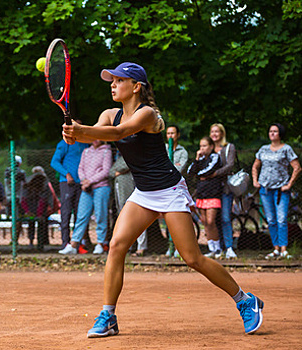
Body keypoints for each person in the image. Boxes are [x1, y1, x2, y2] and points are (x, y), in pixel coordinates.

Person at [62, 62, 264, 337]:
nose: (112, 84)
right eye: (112, 80)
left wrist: (81, 130)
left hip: (169, 191)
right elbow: (97, 133)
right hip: (143, 193)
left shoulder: (148, 114)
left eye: (119, 80)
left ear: (136, 87)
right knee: (117, 246)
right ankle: (108, 315)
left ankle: (245, 300)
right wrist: (76, 134)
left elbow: (118, 134)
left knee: (192, 258)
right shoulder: (110, 113)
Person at [252, 123, 300, 259]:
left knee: (282, 219)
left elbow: (297, 167)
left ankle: (284, 248)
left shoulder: (286, 149)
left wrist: (289, 184)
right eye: (270, 131)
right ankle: (276, 248)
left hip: (280, 190)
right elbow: (255, 166)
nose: (272, 133)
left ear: (280, 134)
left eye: (275, 131)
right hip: (265, 189)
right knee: (271, 220)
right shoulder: (263, 149)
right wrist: (255, 181)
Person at [58, 139, 112, 255]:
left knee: (100, 215)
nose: (96, 140)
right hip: (86, 188)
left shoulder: (106, 151)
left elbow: (106, 171)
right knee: (81, 216)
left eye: (98, 137)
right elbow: (80, 168)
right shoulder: (86, 151)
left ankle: (100, 243)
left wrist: (90, 181)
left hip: (101, 187)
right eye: (94, 137)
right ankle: (73, 244)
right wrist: (84, 181)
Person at [50, 122, 88, 250]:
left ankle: (79, 243)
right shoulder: (64, 143)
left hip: (82, 184)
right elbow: (54, 162)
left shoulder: (85, 144)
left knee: (81, 213)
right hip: (67, 183)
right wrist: (66, 174)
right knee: (65, 213)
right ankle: (65, 242)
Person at [188, 136, 223, 258]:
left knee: (211, 221)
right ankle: (211, 248)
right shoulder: (200, 159)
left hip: (213, 193)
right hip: (201, 194)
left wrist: (200, 174)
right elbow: (190, 171)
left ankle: (218, 248)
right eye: (200, 146)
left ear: (211, 146)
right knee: (204, 222)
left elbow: (208, 170)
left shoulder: (215, 157)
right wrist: (197, 160)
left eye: (204, 146)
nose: (202, 148)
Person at [109, 154, 147, 256]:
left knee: (138, 218)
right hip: (121, 194)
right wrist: (118, 170)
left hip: (134, 192)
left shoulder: (134, 155)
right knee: (124, 219)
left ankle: (141, 247)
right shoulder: (120, 158)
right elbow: (111, 172)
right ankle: (127, 247)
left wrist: (119, 170)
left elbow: (126, 165)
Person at [210, 123, 238, 259]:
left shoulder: (229, 147)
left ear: (222, 133)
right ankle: (217, 247)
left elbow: (230, 165)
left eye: (217, 132)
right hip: (211, 189)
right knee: (213, 219)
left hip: (225, 187)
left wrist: (215, 173)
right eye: (212, 132)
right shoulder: (208, 148)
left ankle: (229, 247)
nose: (214, 134)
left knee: (225, 217)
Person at [163, 125, 190, 258]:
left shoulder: (182, 152)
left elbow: (179, 170)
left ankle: (180, 247)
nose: (170, 136)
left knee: (178, 219)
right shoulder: (162, 149)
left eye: (173, 133)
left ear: (178, 135)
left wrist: (168, 167)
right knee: (167, 220)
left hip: (176, 188)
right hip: (163, 189)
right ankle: (170, 247)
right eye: (168, 133)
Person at [21, 166, 54, 251]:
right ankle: (31, 241)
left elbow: (43, 201)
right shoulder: (27, 186)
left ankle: (40, 244)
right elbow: (23, 200)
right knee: (31, 224)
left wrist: (40, 214)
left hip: (41, 208)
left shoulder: (44, 187)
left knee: (41, 223)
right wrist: (28, 211)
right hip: (30, 205)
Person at [4, 155, 27, 237]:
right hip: (18, 198)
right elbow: (25, 184)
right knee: (18, 219)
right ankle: (15, 238)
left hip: (8, 197)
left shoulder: (7, 172)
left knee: (12, 218)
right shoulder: (21, 173)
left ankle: (12, 238)